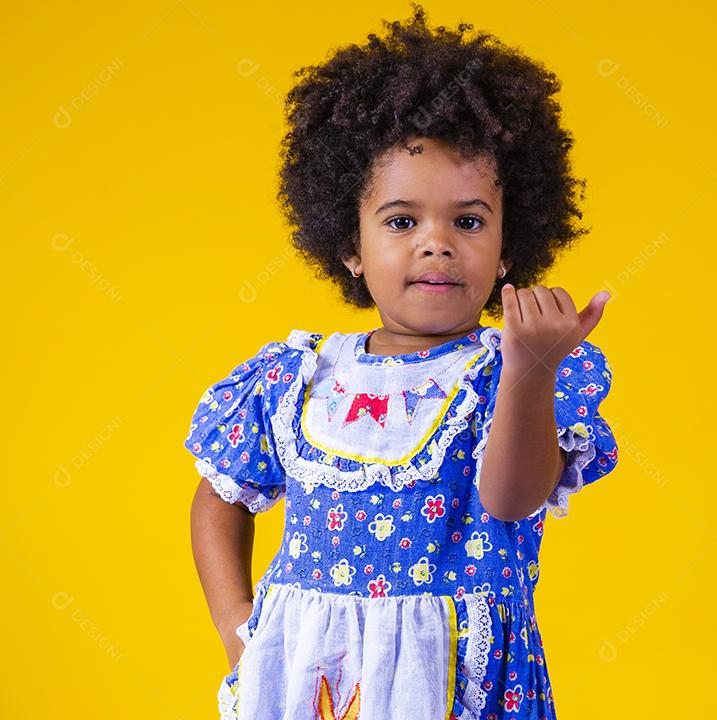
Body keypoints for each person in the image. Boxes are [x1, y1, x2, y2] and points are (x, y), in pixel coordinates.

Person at [186, 4, 618, 719]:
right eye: (401, 220)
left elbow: (512, 500)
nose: (437, 242)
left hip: (457, 685)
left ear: (509, 245)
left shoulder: (513, 370)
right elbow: (218, 495)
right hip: (307, 685)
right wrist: (238, 625)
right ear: (349, 245)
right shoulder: (295, 378)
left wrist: (531, 369)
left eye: (469, 221)